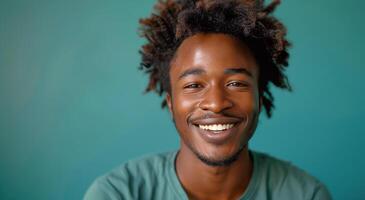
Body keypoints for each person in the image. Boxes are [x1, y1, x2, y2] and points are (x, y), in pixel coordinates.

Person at [84, 0, 331, 199]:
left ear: (259, 95)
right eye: (193, 85)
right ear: (171, 103)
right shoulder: (117, 194)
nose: (216, 102)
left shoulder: (306, 194)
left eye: (236, 83)